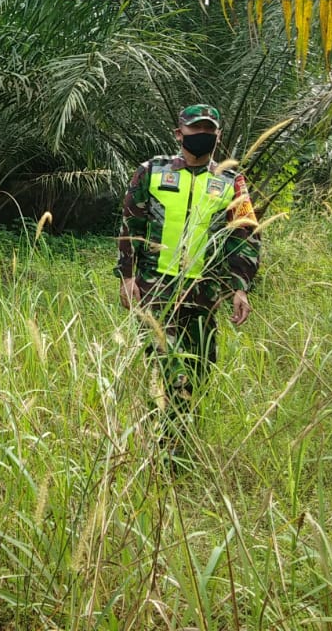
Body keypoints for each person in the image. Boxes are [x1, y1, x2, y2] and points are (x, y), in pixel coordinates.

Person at [116, 103, 261, 468]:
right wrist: (128, 275)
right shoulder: (151, 172)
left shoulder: (231, 181)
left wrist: (240, 286)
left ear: (218, 136)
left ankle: (179, 439)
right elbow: (130, 224)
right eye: (195, 129)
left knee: (199, 369)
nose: (203, 135)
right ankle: (167, 451)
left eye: (209, 130)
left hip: (205, 291)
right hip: (157, 287)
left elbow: (245, 234)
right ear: (179, 134)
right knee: (168, 367)